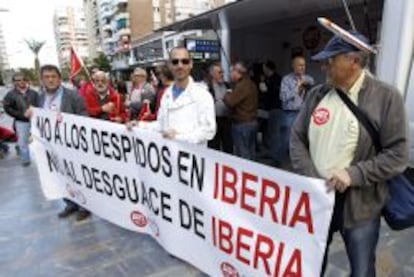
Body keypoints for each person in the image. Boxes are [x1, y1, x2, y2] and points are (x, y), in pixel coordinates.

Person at [290, 32, 409, 276]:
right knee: (309, 265)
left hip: (361, 206)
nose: (325, 66)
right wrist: (311, 177)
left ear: (353, 61)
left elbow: (398, 155)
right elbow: (297, 138)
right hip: (318, 201)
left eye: (331, 60)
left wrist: (353, 174)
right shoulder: (317, 95)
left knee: (362, 269)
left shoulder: (386, 97)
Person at [37, 65, 92, 221]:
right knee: (60, 175)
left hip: (72, 145)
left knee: (77, 176)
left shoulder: (73, 96)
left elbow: (83, 115)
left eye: (53, 76)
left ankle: (84, 206)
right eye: (47, 77)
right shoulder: (40, 98)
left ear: (59, 78)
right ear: (42, 80)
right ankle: (69, 203)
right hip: (52, 146)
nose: (50, 79)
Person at [137, 46, 216, 145]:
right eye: (175, 62)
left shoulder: (203, 95)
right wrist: (139, 125)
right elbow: (161, 125)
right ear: (170, 65)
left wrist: (179, 137)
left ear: (191, 64)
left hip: (191, 157)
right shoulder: (166, 94)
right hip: (169, 155)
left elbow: (208, 131)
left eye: (184, 61)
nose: (180, 66)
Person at [279, 55, 314, 164]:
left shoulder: (308, 79)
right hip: (290, 113)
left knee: (303, 139)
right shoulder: (286, 79)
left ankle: (298, 162)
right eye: (299, 65)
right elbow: (283, 97)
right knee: (287, 139)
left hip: (304, 114)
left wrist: (306, 83)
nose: (302, 67)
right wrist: (297, 87)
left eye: (304, 65)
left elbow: (312, 84)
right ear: (293, 66)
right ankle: (283, 163)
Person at [223, 62, 258, 160]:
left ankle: (246, 173)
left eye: (231, 72)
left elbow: (230, 102)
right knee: (250, 151)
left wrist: (226, 94)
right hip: (251, 122)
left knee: (243, 154)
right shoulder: (251, 83)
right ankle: (253, 173)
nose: (230, 74)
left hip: (243, 124)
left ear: (237, 72)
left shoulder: (242, 85)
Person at [3, 73, 38, 166]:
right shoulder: (10, 95)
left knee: (40, 140)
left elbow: (40, 105)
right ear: (14, 82)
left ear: (26, 80)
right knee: (23, 142)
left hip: (36, 121)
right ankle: (26, 161)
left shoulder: (34, 93)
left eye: (23, 79)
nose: (21, 82)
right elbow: (7, 108)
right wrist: (20, 115)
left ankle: (42, 160)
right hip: (21, 121)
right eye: (18, 80)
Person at [207, 63, 233, 153]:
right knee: (214, 146)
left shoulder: (227, 85)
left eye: (222, 72)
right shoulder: (208, 87)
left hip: (226, 120)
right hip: (214, 120)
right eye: (219, 72)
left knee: (228, 145)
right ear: (212, 74)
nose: (222, 74)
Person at [262, 60, 282, 163]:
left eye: (264, 67)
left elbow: (275, 93)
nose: (263, 69)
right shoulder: (268, 79)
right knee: (269, 132)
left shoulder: (276, 79)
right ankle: (271, 153)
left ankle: (276, 157)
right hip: (269, 109)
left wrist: (266, 90)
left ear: (268, 68)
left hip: (276, 108)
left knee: (275, 133)